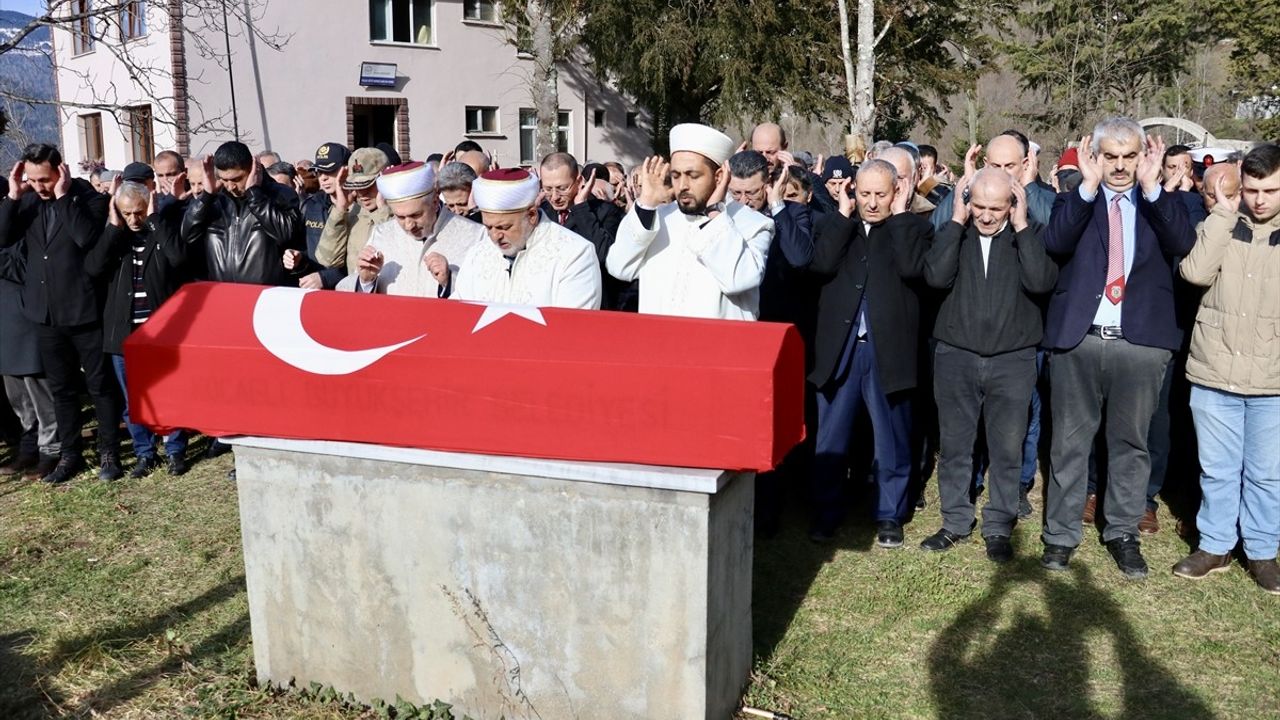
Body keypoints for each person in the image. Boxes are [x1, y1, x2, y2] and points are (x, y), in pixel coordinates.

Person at [1039, 118, 1197, 579]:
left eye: (1130, 156)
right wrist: (1087, 187)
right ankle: (1061, 535)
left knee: (1131, 444)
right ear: (1096, 156)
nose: (1121, 166)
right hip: (1079, 341)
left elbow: (1183, 243)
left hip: (1140, 344)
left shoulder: (1161, 204)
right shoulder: (1075, 200)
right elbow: (1055, 242)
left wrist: (1153, 189)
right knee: (1069, 444)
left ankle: (1123, 533)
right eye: (1112, 156)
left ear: (1143, 158)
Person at [920, 169, 1057, 561]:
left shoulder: (1030, 235)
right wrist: (956, 222)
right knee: (956, 446)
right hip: (956, 357)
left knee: (1006, 448)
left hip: (1012, 361)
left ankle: (999, 524)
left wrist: (1023, 228)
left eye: (995, 207)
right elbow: (935, 276)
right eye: (978, 205)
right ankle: (955, 522)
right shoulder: (954, 233)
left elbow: (1040, 282)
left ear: (1012, 204)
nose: (985, 215)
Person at [1172, 144, 1280, 594]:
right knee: (1216, 468)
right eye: (1252, 189)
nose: (1259, 199)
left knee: (1266, 472)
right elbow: (1195, 273)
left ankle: (1262, 552)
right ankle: (1214, 545)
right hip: (1215, 370)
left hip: (1272, 379)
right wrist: (1221, 212)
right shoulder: (1219, 224)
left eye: (1270, 190)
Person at [807, 159, 932, 546]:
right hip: (841, 352)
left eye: (881, 194)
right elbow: (821, 265)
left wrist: (899, 218)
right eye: (865, 194)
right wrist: (843, 218)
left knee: (892, 438)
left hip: (887, 351)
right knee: (831, 439)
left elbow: (913, 269)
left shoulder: (913, 229)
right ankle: (826, 514)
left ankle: (890, 515)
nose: (872, 203)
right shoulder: (834, 225)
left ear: (897, 193)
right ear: (852, 192)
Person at [0, 144, 120, 483]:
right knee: (62, 388)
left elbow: (87, 239)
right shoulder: (27, 201)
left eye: (45, 179)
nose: (39, 186)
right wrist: (12, 197)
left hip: (83, 310)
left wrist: (65, 197)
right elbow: (3, 237)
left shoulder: (87, 197)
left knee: (99, 386)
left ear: (61, 170)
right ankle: (70, 455)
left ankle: (109, 452)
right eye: (33, 179)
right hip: (45, 313)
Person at [607, 123, 773, 320]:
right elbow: (619, 268)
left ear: (719, 176)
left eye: (693, 175)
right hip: (660, 345)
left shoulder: (754, 224)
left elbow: (738, 280)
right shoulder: (658, 217)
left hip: (719, 348)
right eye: (676, 175)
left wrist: (714, 213)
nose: (683, 185)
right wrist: (645, 205)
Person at [85, 180, 191, 477]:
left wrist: (156, 220)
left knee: (168, 392)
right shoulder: (116, 237)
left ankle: (175, 449)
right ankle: (145, 452)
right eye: (127, 213)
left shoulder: (160, 229)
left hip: (160, 331)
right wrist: (112, 227)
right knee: (133, 399)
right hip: (124, 334)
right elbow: (93, 268)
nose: (134, 219)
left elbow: (179, 258)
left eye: (140, 212)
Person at [451, 168, 602, 308]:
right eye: (488, 227)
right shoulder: (478, 254)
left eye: (504, 227)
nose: (495, 237)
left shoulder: (575, 254)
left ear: (531, 215)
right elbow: (460, 312)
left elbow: (572, 326)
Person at [341, 161, 485, 298]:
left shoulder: (475, 235)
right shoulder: (382, 233)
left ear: (435, 202)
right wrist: (366, 281)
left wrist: (448, 281)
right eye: (400, 217)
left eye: (416, 215)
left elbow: (487, 296)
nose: (409, 225)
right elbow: (353, 297)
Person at [181, 140, 303, 286]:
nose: (231, 186)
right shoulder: (215, 200)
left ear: (253, 168)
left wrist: (255, 195)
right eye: (224, 180)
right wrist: (206, 196)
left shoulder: (279, 194)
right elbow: (188, 235)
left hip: (264, 295)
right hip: (223, 293)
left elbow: (287, 234)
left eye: (237, 179)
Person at [539, 153, 634, 311]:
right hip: (550, 304)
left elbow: (607, 257)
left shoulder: (606, 212)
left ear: (579, 181)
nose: (554, 197)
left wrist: (581, 209)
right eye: (548, 189)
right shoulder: (542, 212)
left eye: (562, 188)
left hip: (594, 307)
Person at [931, 135, 1055, 232]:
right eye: (995, 166)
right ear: (986, 163)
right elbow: (935, 229)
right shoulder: (971, 197)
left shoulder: (1044, 197)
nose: (1002, 173)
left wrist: (1029, 189)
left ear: (1025, 164)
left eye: (1009, 166)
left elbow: (1053, 235)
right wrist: (968, 185)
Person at [315, 147, 391, 276]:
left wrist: (383, 211)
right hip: (358, 292)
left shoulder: (402, 211)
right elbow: (328, 259)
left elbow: (399, 251)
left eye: (369, 185)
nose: (362, 193)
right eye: (357, 186)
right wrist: (340, 208)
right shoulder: (352, 212)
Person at [292, 142, 350, 290]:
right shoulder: (312, 206)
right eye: (319, 172)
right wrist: (298, 258)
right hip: (314, 291)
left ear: (346, 171)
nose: (323, 178)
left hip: (348, 293)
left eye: (329, 171)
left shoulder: (359, 209)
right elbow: (309, 250)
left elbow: (359, 260)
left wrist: (326, 278)